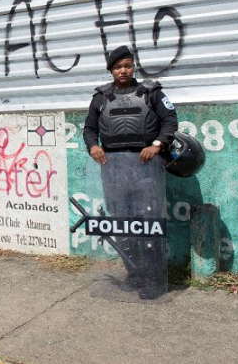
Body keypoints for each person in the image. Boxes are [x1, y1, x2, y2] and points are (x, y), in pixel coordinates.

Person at [82, 45, 178, 300]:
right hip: (113, 170)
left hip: (146, 168)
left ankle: (154, 280)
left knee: (148, 225)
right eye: (117, 67)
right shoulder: (101, 97)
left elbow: (170, 121)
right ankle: (134, 273)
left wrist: (157, 145)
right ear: (111, 70)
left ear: (133, 66)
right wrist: (93, 147)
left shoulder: (151, 93)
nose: (122, 71)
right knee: (122, 224)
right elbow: (89, 129)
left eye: (127, 65)